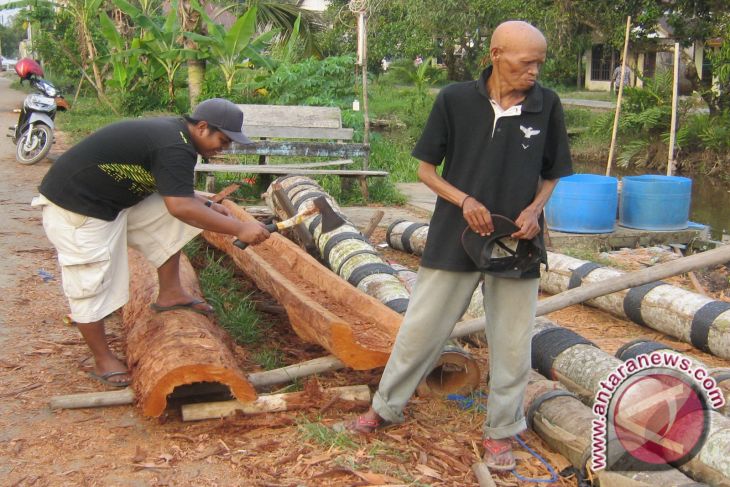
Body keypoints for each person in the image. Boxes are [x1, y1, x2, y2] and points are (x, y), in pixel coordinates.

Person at [339, 21, 573, 471]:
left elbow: (552, 173)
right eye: (527, 62)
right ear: (497, 53)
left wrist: (535, 211)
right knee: (421, 330)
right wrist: (463, 200)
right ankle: (383, 409)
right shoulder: (455, 100)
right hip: (455, 234)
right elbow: (427, 171)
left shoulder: (546, 105)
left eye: (540, 63)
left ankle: (502, 433)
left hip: (515, 242)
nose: (535, 71)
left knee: (511, 344)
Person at [32, 98, 271, 387]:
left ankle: (170, 293)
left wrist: (204, 203)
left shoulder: (179, 137)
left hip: (113, 202)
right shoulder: (176, 145)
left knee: (176, 217)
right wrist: (239, 228)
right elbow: (180, 205)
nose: (225, 147)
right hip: (77, 208)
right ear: (203, 127)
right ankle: (103, 358)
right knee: (89, 280)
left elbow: (171, 188)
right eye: (223, 140)